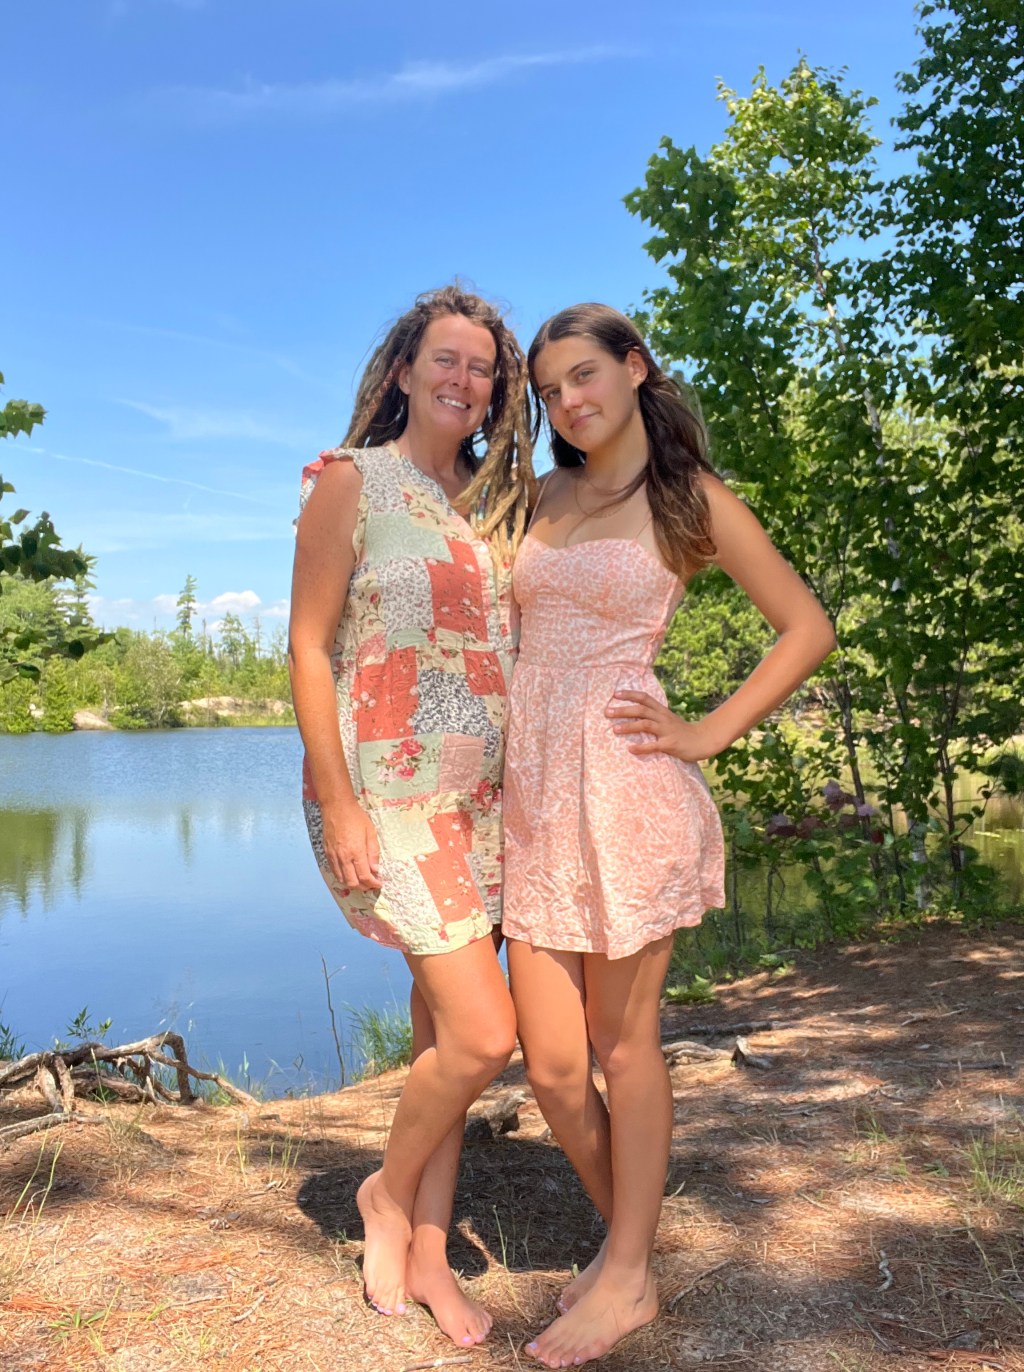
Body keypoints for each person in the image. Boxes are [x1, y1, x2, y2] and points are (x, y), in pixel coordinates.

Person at [502, 302, 836, 1367]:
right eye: (550, 389)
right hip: (530, 795)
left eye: (586, 374)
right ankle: (628, 1242)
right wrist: (347, 487)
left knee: (618, 1045)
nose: (570, 401)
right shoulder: (536, 493)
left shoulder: (685, 498)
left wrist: (702, 734)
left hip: (627, 788)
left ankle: (630, 1270)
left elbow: (806, 627)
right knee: (551, 1068)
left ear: (635, 367)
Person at [288, 285, 534, 1347]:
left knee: (444, 1029)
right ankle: (384, 1197)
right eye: (444, 358)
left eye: (480, 366)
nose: (461, 378)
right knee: (488, 1030)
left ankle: (430, 1253)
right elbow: (306, 646)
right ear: (402, 370)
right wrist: (338, 795)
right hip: (385, 794)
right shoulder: (351, 483)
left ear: (494, 390)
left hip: (482, 796)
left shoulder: (491, 503)